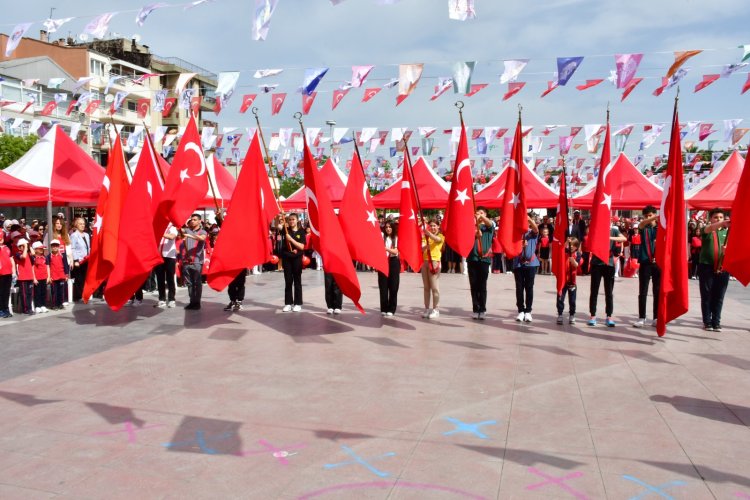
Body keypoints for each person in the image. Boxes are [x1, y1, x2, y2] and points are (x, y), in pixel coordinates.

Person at [588, 223, 627, 327]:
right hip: (596, 264)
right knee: (594, 291)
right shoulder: (596, 229)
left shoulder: (613, 230)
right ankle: (592, 315)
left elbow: (624, 238)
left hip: (609, 264)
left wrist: (609, 237)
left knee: (609, 292)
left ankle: (609, 316)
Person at [698, 208, 731, 332]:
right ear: (710, 219)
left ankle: (716, 322)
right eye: (716, 217)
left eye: (721, 217)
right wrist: (722, 223)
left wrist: (727, 251)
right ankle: (707, 322)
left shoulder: (728, 233)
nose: (719, 219)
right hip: (706, 267)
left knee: (719, 296)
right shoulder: (707, 230)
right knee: (706, 295)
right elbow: (709, 228)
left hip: (723, 268)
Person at [633, 206, 660, 328]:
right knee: (643, 291)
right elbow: (642, 224)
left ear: (655, 214)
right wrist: (653, 218)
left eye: (651, 215)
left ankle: (656, 317)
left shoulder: (661, 228)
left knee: (657, 291)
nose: (649, 218)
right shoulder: (643, 227)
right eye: (647, 216)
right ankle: (642, 317)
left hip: (658, 263)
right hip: (645, 262)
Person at [466, 208, 495, 320]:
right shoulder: (470, 227)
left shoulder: (488, 226)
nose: (479, 215)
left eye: (482, 213)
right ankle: (475, 308)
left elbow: (489, 223)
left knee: (482, 285)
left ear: (486, 215)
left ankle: (482, 309)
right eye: (477, 213)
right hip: (472, 258)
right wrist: (474, 234)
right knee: (473, 285)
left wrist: (481, 217)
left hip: (484, 260)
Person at [513, 215, 540, 322]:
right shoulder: (515, 233)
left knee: (529, 287)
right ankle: (521, 310)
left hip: (531, 264)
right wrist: (520, 244)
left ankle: (528, 311)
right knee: (519, 288)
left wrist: (528, 219)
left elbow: (536, 229)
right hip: (518, 263)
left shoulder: (531, 232)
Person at [179, 214, 207, 310]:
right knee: (190, 283)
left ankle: (197, 302)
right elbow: (179, 230)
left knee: (197, 283)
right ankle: (192, 302)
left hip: (197, 261)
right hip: (186, 261)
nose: (192, 221)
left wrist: (189, 235)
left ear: (199, 221)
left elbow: (202, 238)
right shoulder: (187, 230)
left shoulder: (202, 231)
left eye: (195, 220)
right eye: (191, 219)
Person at [280, 213, 306, 312]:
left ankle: (298, 303)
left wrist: (291, 240)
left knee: (297, 281)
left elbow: (302, 246)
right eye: (290, 219)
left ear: (297, 220)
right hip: (287, 259)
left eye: (293, 219)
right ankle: (288, 303)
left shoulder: (301, 231)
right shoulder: (286, 230)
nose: (291, 221)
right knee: (288, 281)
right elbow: (278, 226)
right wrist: (280, 216)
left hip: (297, 260)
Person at [421, 218, 443, 319]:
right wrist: (426, 247)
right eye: (431, 226)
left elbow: (438, 240)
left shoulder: (440, 236)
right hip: (424, 262)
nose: (433, 227)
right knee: (426, 287)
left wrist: (429, 234)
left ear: (438, 226)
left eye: (435, 225)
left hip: (434, 262)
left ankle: (436, 309)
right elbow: (421, 248)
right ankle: (426, 308)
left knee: (435, 287)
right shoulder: (425, 236)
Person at [556, 237, 581, 324]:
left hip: (572, 281)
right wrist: (566, 241)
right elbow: (561, 249)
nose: (571, 247)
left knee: (572, 300)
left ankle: (572, 315)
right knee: (560, 298)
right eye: (570, 245)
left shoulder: (577, 254)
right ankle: (560, 314)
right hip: (563, 280)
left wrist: (573, 261)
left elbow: (577, 265)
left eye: (573, 245)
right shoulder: (565, 251)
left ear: (576, 247)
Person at [378, 221, 399, 316]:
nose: (388, 228)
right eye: (386, 227)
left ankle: (391, 308)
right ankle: (384, 308)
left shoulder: (396, 238)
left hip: (393, 262)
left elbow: (395, 251)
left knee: (393, 287)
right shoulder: (382, 236)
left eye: (390, 227)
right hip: (382, 262)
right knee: (383, 286)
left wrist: (385, 248)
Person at [154, 224, 178, 308]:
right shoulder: (158, 227)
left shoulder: (172, 227)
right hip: (158, 256)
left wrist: (160, 233)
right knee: (160, 279)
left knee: (170, 278)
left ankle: (171, 299)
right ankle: (162, 299)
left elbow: (172, 237)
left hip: (169, 256)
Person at [69, 217, 90, 302]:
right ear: (76, 225)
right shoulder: (74, 235)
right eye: (80, 224)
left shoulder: (87, 235)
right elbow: (73, 248)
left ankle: (84, 294)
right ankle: (78, 296)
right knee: (79, 279)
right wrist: (76, 260)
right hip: (79, 260)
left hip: (86, 259)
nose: (82, 225)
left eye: (83, 224)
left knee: (85, 278)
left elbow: (88, 247)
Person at [14, 238, 34, 315]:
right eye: (22, 246)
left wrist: (29, 246)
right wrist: (25, 247)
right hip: (23, 278)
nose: (25, 247)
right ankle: (26, 309)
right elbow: (24, 257)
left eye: (25, 246)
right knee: (24, 294)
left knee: (30, 294)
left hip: (29, 276)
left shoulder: (28, 254)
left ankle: (29, 308)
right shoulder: (18, 253)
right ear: (19, 247)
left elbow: (33, 255)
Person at [47, 239, 69, 310]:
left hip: (61, 276)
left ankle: (60, 304)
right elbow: (48, 267)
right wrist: (49, 277)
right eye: (53, 246)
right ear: (51, 247)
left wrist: (66, 275)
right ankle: (54, 305)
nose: (55, 247)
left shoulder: (62, 255)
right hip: (53, 277)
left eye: (56, 246)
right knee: (54, 292)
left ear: (59, 246)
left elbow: (66, 265)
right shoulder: (49, 256)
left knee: (61, 291)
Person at [31, 241, 49, 313]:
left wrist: (48, 276)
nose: (42, 250)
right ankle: (37, 306)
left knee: (43, 292)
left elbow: (47, 267)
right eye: (39, 248)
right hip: (37, 279)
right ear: (35, 249)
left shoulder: (44, 257)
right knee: (37, 293)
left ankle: (43, 305)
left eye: (42, 248)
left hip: (44, 278)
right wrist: (34, 278)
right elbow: (32, 268)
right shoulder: (33, 258)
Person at [0, 235, 12, 318]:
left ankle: (6, 308)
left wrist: (14, 272)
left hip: (8, 273)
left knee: (6, 292)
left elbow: (11, 259)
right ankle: (1, 309)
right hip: (1, 274)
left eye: (1, 238)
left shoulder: (7, 248)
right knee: (1, 292)